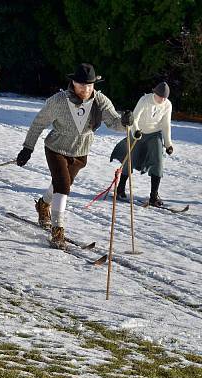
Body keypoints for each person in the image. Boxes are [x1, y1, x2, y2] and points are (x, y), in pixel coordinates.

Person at [16, 63, 132, 250]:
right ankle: (58, 230)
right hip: (56, 149)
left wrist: (126, 121)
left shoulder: (100, 101)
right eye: (81, 85)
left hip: (80, 153)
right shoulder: (59, 101)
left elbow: (114, 123)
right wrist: (27, 148)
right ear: (73, 83)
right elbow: (38, 123)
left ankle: (43, 205)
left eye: (89, 85)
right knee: (63, 186)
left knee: (62, 183)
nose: (86, 89)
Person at [110, 81, 173, 206]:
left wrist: (168, 144)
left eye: (165, 97)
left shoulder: (167, 105)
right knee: (130, 159)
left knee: (158, 161)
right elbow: (135, 118)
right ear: (155, 93)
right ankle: (120, 189)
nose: (163, 99)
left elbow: (166, 124)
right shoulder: (145, 100)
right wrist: (136, 131)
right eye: (161, 96)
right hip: (137, 132)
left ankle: (153, 196)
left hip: (154, 134)